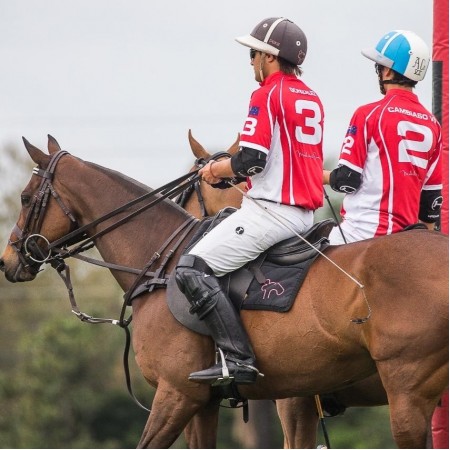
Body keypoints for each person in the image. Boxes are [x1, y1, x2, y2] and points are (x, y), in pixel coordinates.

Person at [175, 17, 324, 385]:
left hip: (272, 215)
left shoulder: (266, 94)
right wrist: (232, 171)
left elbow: (252, 159)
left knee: (190, 268)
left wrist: (216, 169)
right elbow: (273, 163)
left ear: (269, 57)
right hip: (307, 216)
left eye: (254, 53)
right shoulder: (311, 96)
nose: (251, 61)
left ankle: (238, 358)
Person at [324, 30, 442, 244]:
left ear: (387, 71)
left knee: (298, 269)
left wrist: (307, 175)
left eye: (379, 67)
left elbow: (346, 180)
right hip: (408, 239)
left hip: (359, 233)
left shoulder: (368, 114)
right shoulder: (433, 124)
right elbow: (430, 203)